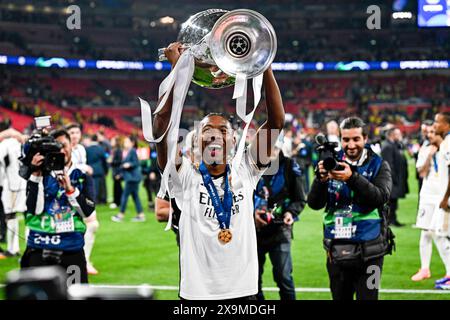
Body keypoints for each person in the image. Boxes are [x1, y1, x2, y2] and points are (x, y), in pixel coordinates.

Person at [153, 42, 284, 300]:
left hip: (244, 292)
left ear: (234, 140)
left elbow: (276, 122)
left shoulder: (247, 169)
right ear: (196, 140)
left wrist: (264, 65)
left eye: (223, 130)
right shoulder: (185, 177)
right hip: (197, 294)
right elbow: (161, 130)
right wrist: (177, 70)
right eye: (207, 131)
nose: (214, 134)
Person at [307, 117, 393, 301]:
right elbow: (314, 204)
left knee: (370, 298)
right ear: (340, 139)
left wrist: (351, 178)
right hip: (337, 251)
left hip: (372, 253)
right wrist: (320, 180)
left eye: (356, 139)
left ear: (365, 138)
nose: (351, 145)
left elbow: (380, 197)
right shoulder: (332, 163)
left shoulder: (379, 164)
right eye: (346, 140)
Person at [21, 129, 96, 283]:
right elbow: (34, 210)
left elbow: (87, 211)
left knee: (75, 295)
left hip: (71, 248)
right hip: (39, 245)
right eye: (56, 146)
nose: (61, 150)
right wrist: (35, 174)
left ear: (72, 146)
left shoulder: (81, 176)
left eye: (63, 145)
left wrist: (71, 190)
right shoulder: (37, 174)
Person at [254, 135, 307, 300]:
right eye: (267, 148)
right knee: (252, 280)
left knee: (284, 278)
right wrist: (251, 214)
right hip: (253, 231)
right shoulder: (250, 166)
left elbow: (300, 199)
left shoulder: (290, 166)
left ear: (280, 148)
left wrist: (291, 212)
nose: (271, 152)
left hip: (280, 230)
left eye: (275, 148)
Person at [411, 125, 450, 284]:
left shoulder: (446, 149)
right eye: (428, 132)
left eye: (432, 132)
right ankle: (425, 268)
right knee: (426, 232)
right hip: (427, 196)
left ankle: (448, 272)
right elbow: (421, 173)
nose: (429, 135)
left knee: (439, 233)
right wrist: (429, 157)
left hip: (441, 197)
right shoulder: (425, 149)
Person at [66, 123, 100, 275]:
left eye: (76, 132)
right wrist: (83, 168)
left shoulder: (81, 149)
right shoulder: (63, 150)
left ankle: (85, 260)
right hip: (66, 192)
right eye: (71, 132)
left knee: (92, 225)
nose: (74, 135)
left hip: (81, 192)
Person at [431, 112, 450, 289]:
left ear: (446, 124)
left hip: (448, 200)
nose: (434, 125)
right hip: (445, 197)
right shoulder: (444, 143)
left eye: (437, 122)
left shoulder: (448, 144)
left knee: (441, 234)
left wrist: (445, 198)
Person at [0, 135, 27, 257]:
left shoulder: (5, 145)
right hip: (24, 184)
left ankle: (12, 248)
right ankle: (21, 248)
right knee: (29, 216)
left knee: (10, 215)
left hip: (11, 185)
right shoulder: (21, 144)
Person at [111, 136, 145, 222]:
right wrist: (121, 174)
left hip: (132, 178)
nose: (124, 143)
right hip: (132, 177)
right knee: (135, 196)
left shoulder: (132, 151)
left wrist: (129, 164)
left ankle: (120, 215)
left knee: (125, 196)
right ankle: (141, 215)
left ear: (132, 143)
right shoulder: (130, 151)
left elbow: (136, 162)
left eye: (126, 141)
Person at [381, 127, 408, 227]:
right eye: (398, 133)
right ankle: (390, 220)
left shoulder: (394, 145)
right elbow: (388, 165)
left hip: (395, 178)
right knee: (391, 201)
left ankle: (392, 219)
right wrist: (393, 178)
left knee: (394, 201)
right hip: (392, 179)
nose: (400, 135)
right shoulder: (387, 146)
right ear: (392, 135)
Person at [86, 134, 109, 205]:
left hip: (90, 170)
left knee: (92, 186)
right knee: (102, 186)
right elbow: (104, 160)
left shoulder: (87, 149)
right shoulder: (101, 148)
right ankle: (102, 200)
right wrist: (106, 170)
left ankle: (94, 199)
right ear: (97, 140)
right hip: (100, 170)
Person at [109, 136, 123, 210]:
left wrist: (111, 161)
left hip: (118, 171)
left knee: (117, 187)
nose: (111, 142)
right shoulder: (114, 150)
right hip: (115, 170)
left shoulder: (118, 150)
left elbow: (120, 161)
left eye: (112, 140)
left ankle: (117, 202)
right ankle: (118, 201)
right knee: (117, 186)